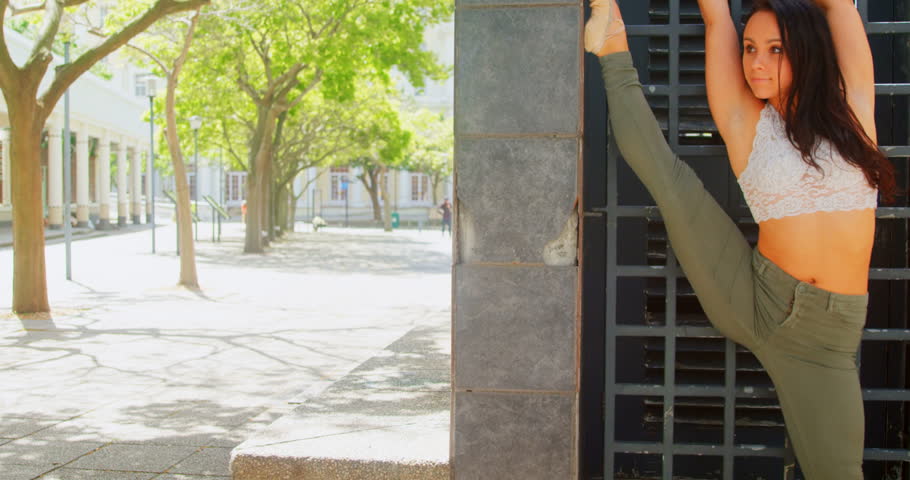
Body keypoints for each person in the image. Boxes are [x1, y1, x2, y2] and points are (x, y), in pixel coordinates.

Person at [585, 0, 897, 478]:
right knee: (671, 185)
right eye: (750, 47)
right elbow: (716, 16)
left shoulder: (854, 107)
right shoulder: (747, 122)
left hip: (822, 343)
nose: (755, 62)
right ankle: (611, 48)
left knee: (837, 472)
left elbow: (837, 7)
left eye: (775, 49)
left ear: (807, 52)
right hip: (757, 298)